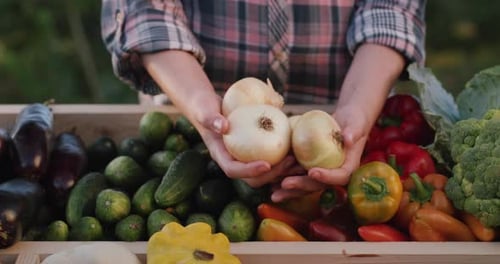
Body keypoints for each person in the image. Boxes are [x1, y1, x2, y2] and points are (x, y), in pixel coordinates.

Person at [101, 0, 426, 203]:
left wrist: (358, 107)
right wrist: (200, 103)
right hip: (187, 106)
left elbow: (392, 8)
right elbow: (145, 7)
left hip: (352, 116)